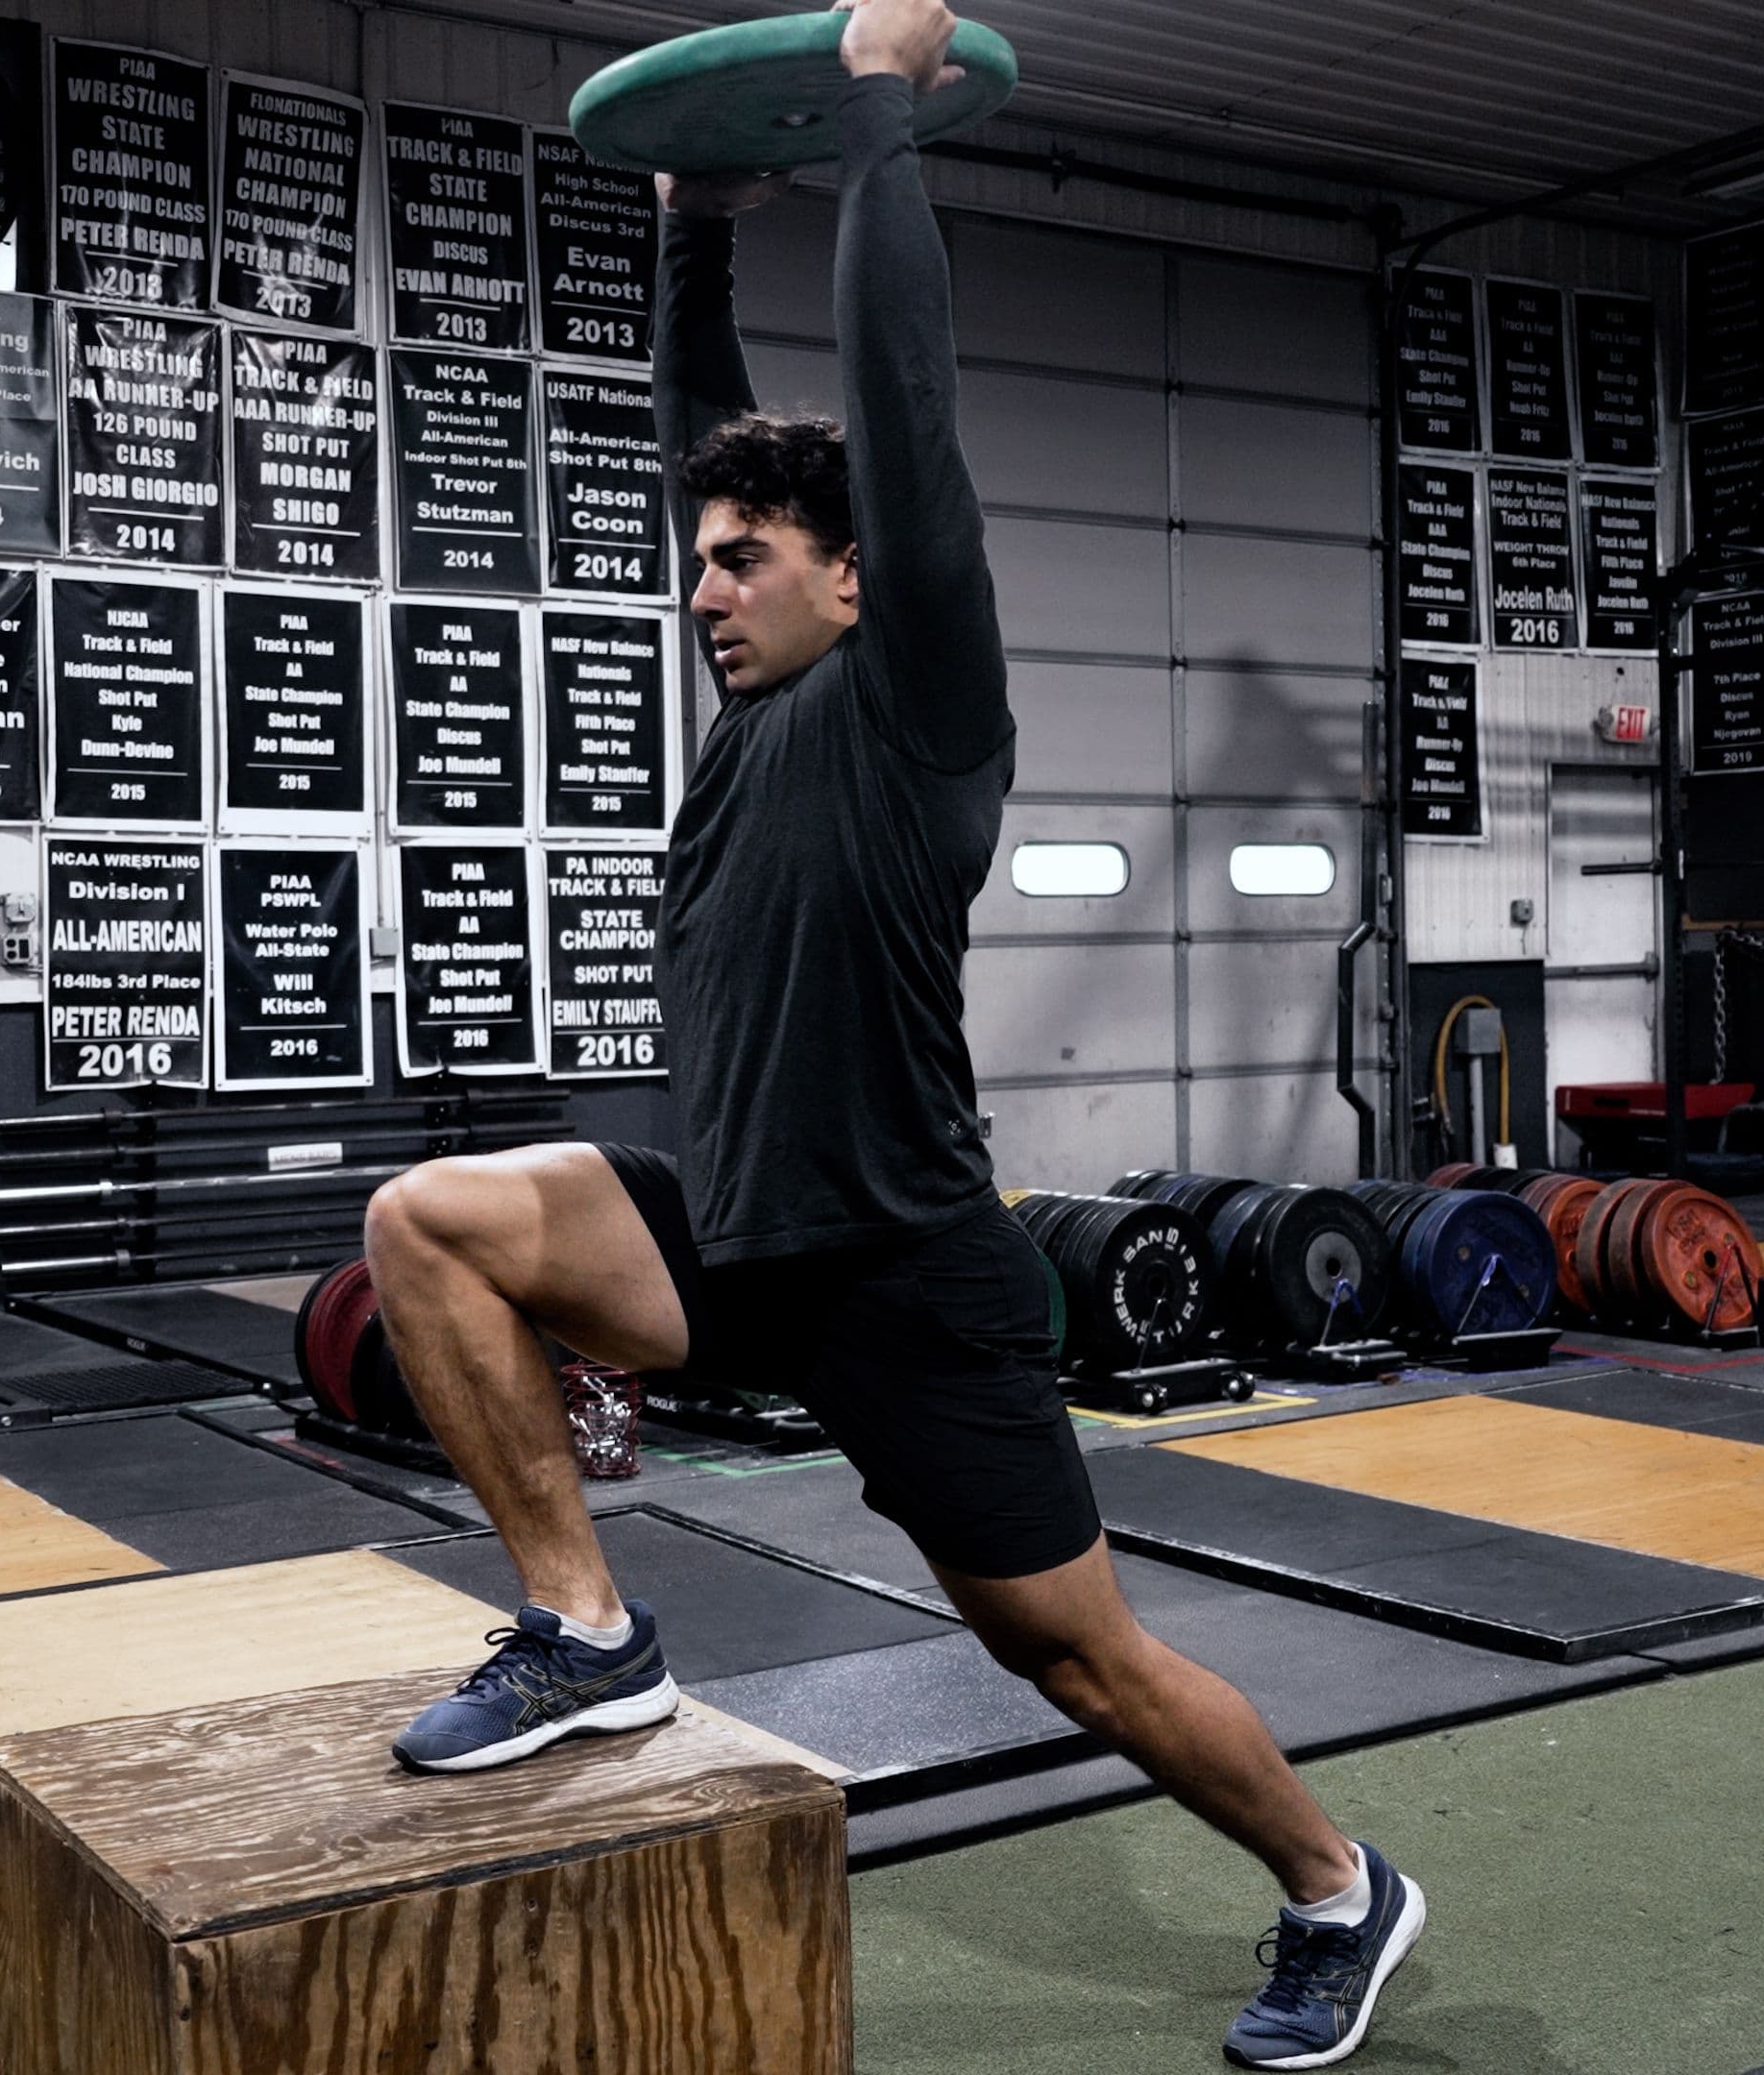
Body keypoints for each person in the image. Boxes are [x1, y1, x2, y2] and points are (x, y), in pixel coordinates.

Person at [360, 0, 1422, 2062]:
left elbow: (905, 412)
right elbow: (707, 430)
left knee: (1080, 1662)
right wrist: (694, 225)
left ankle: (1336, 1887)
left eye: (745, 564)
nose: (702, 591)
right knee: (432, 1223)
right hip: (737, 1238)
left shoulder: (919, 703)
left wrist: (875, 114)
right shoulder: (750, 717)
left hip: (911, 1279)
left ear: (858, 581)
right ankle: (589, 1629)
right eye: (699, 564)